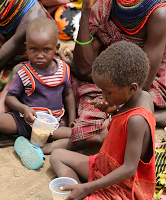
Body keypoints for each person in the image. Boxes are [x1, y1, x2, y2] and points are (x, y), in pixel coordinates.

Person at [50, 41, 156, 200]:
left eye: (107, 92)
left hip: (124, 186)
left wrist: (87, 188)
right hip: (105, 167)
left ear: (132, 88)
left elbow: (129, 169)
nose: (103, 96)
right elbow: (120, 133)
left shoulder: (137, 120)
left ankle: (83, 191)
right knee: (57, 155)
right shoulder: (142, 97)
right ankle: (78, 190)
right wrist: (114, 112)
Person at [60, 0, 166, 129]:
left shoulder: (159, 13)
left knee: (97, 124)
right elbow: (84, 69)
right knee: (55, 75)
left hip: (136, 85)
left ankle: (145, 117)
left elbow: (142, 85)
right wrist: (86, 10)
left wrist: (113, 102)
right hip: (103, 72)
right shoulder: (105, 4)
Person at [0, 17, 76, 168]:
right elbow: (10, 98)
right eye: (33, 49)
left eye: (46, 50)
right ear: (26, 47)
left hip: (52, 125)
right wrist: (24, 108)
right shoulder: (24, 72)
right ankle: (26, 139)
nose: (39, 55)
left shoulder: (63, 70)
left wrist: (72, 119)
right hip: (25, 120)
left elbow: (68, 95)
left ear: (56, 47)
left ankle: (30, 144)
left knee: (76, 135)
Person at [0, 0, 53, 113]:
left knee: (19, 73)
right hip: (8, 61)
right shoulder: (4, 12)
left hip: (25, 65)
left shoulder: (31, 16)